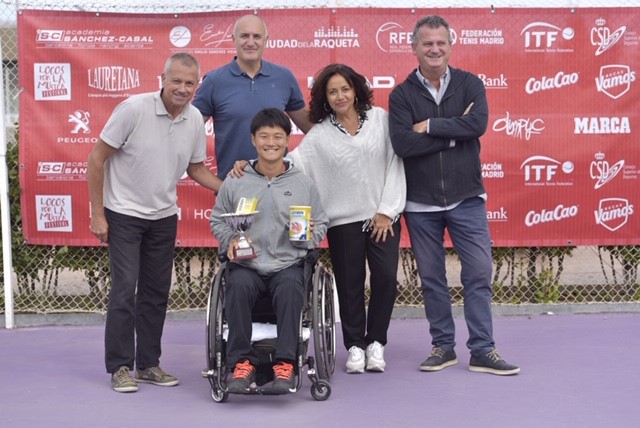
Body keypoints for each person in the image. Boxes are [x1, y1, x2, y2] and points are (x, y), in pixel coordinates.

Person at [231, 64, 406, 374]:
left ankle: (376, 342)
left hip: (382, 218)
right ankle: (354, 346)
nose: (340, 96)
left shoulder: (381, 120)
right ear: (325, 97)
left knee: (385, 281)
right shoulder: (321, 134)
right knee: (349, 286)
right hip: (343, 222)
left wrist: (387, 211)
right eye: (332, 91)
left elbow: (395, 163)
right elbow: (291, 162)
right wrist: (251, 164)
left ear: (356, 90)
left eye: (345, 89)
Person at [388, 15, 519, 376]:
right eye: (427, 43)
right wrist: (452, 135)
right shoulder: (401, 94)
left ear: (450, 45)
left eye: (440, 43)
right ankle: (443, 347)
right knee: (431, 279)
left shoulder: (469, 84)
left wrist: (430, 126)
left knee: (478, 273)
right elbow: (402, 143)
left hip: (466, 198)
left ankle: (483, 350)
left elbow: (476, 125)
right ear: (415, 47)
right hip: (420, 204)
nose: (434, 49)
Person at [87, 52, 222, 393]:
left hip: (163, 218)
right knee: (124, 291)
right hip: (124, 214)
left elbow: (196, 169)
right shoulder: (133, 109)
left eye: (189, 83)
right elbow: (97, 158)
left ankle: (148, 364)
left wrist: (231, 188)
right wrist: (98, 213)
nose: (182, 88)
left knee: (156, 293)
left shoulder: (194, 119)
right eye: (176, 80)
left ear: (197, 85)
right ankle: (119, 366)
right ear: (162, 79)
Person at [210, 108, 328, 394]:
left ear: (288, 140)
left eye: (278, 136)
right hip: (247, 265)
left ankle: (286, 363)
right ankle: (241, 363)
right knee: (236, 284)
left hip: (287, 263)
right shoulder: (237, 179)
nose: (271, 142)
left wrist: (308, 234)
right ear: (253, 140)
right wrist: (230, 242)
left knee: (290, 287)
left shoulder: (303, 183)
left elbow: (322, 224)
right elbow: (217, 219)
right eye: (264, 136)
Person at [192, 14, 313, 179]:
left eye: (257, 36)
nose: (250, 42)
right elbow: (188, 129)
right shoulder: (214, 81)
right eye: (244, 36)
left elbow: (312, 129)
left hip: (278, 184)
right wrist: (222, 187)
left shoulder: (284, 77)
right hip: (234, 185)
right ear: (234, 39)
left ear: (266, 40)